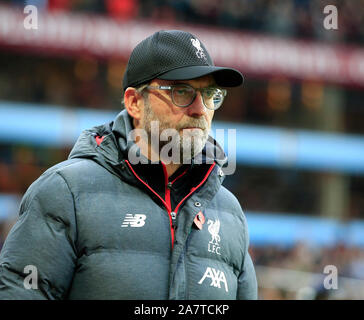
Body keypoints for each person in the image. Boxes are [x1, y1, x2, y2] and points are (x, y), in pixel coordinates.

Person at [0, 30, 258, 299]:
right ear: (134, 102)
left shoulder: (230, 213)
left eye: (210, 94)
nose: (200, 109)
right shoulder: (66, 193)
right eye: (182, 92)